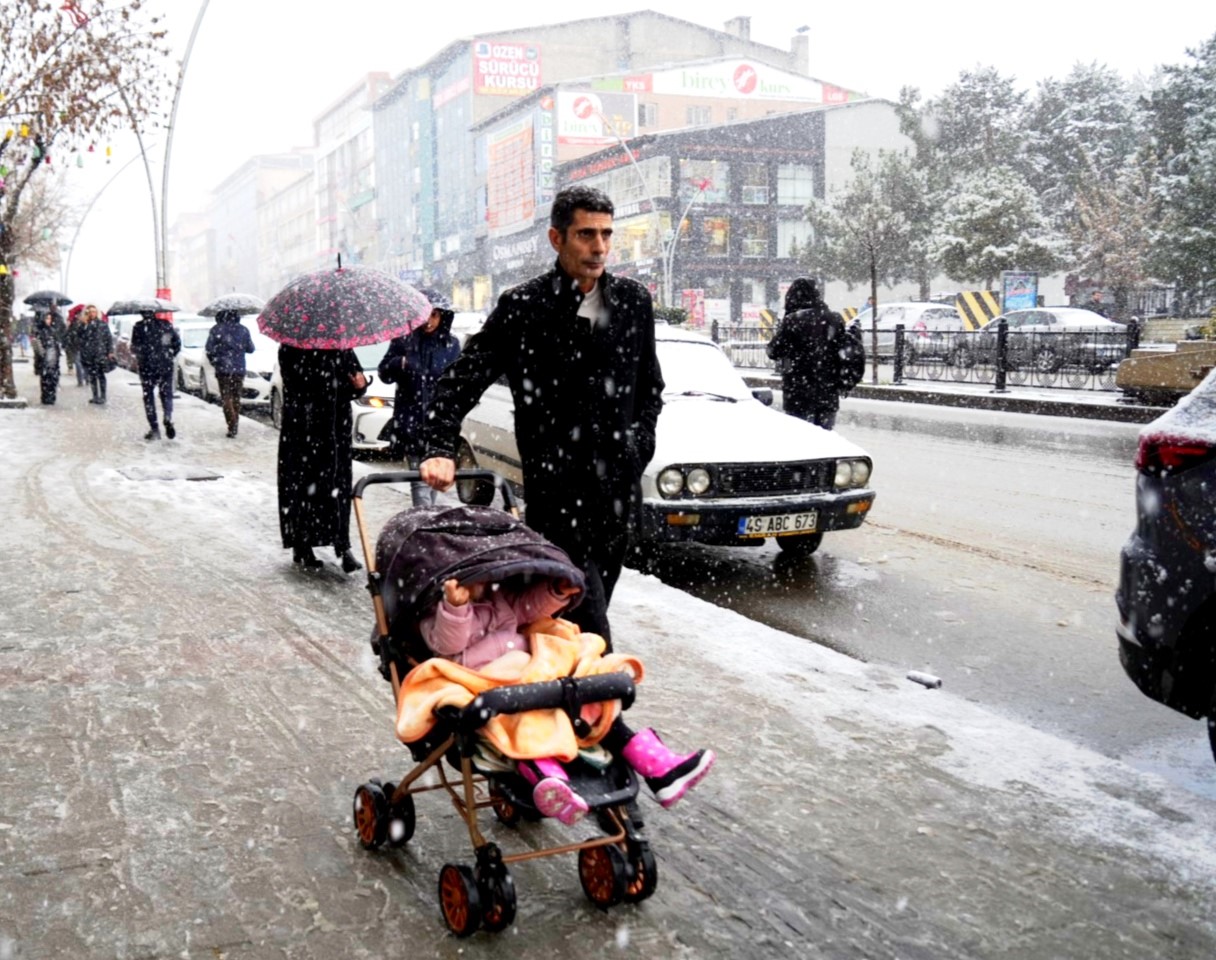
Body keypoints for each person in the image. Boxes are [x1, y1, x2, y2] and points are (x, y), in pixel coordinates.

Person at [420, 185, 665, 648]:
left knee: (576, 618)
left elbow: (650, 387)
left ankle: (563, 705)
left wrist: (637, 448)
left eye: (606, 235)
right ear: (557, 238)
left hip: (616, 493)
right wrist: (438, 446)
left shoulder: (633, 302)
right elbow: (462, 378)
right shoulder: (524, 307)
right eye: (586, 234)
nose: (599, 248)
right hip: (557, 495)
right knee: (586, 617)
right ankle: (605, 712)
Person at [420, 574, 715, 825]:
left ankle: (660, 769)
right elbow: (447, 644)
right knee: (528, 723)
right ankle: (551, 783)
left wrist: (555, 592)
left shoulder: (501, 596)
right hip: (489, 681)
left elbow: (528, 608)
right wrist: (455, 606)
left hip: (534, 673)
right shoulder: (438, 610)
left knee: (590, 704)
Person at [276, 345, 368, 572]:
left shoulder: (342, 347)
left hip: (336, 430)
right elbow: (297, 386)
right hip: (304, 429)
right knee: (303, 486)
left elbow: (354, 383)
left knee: (339, 485)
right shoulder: (291, 348)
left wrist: (360, 385)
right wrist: (328, 386)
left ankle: (342, 545)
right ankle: (302, 543)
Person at [377, 287, 461, 506]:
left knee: (433, 482)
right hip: (412, 423)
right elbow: (384, 372)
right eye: (425, 314)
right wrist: (400, 363)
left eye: (435, 314)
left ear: (443, 316)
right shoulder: (403, 342)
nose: (429, 321)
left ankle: (427, 522)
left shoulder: (451, 346)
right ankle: (424, 525)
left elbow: (457, 384)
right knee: (420, 484)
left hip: (439, 426)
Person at [766, 277, 854, 431]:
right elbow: (845, 351)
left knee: (802, 440)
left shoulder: (793, 320)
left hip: (798, 392)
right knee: (825, 439)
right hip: (828, 393)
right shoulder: (834, 319)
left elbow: (774, 351)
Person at [130, 310, 182, 440]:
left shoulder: (138, 327)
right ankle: (168, 416)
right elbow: (177, 343)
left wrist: (142, 354)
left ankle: (155, 429)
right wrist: (169, 354)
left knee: (148, 396)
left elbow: (134, 347)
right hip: (165, 364)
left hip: (147, 366)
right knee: (166, 393)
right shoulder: (165, 324)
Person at [204, 310, 255, 438]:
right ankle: (235, 422)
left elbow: (209, 349)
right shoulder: (243, 330)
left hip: (222, 369)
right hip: (239, 369)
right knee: (236, 397)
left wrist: (215, 361)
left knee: (226, 396)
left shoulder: (216, 330)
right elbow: (251, 349)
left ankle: (231, 422)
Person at [76, 305, 115, 405]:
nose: (92, 314)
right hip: (89, 354)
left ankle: (103, 396)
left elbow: (108, 338)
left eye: (94, 311)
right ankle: (95, 396)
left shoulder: (102, 324)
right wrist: (83, 325)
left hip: (100, 354)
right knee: (92, 376)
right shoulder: (84, 324)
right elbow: (79, 337)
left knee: (100, 375)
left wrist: (110, 351)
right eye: (90, 312)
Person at [31, 310, 64, 405]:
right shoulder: (40, 331)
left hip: (53, 359)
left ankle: (51, 396)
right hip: (44, 358)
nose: (48, 320)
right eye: (47, 318)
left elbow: (57, 343)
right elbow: (36, 345)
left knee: (53, 378)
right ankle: (46, 397)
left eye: (50, 318)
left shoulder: (53, 330)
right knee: (45, 378)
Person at [64, 304, 86, 386]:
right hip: (76, 346)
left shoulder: (86, 324)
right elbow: (68, 334)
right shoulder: (73, 324)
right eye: (79, 315)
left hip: (85, 347)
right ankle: (80, 380)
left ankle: (86, 378)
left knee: (84, 364)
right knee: (78, 363)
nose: (80, 317)